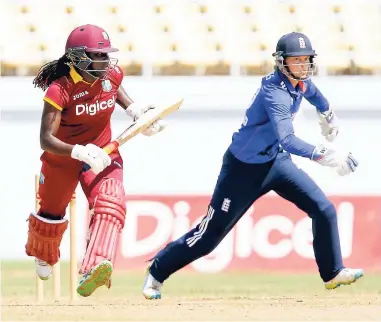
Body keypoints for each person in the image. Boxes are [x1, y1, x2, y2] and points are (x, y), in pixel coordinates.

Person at [142, 32, 363, 300]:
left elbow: (314, 92)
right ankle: (156, 271)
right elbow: (288, 139)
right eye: (297, 60)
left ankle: (332, 272)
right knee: (208, 238)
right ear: (282, 62)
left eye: (307, 60)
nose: (304, 66)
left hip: (275, 161)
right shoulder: (275, 92)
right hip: (242, 170)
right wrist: (326, 155)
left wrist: (327, 113)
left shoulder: (300, 82)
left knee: (324, 209)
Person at [25, 24, 166, 297]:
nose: (105, 61)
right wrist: (78, 151)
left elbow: (116, 92)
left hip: (104, 151)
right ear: (77, 57)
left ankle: (95, 265)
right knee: (51, 216)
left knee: (111, 201)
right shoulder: (60, 89)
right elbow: (45, 138)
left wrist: (137, 113)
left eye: (105, 55)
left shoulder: (110, 74)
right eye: (97, 56)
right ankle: (43, 253)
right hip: (63, 158)